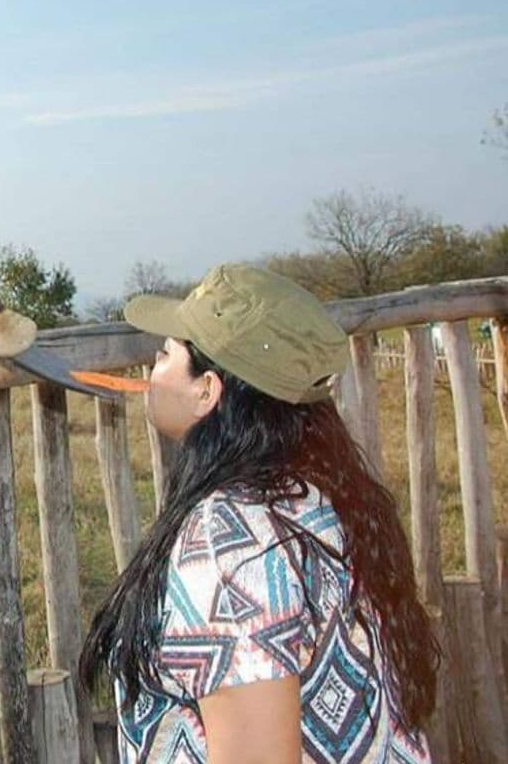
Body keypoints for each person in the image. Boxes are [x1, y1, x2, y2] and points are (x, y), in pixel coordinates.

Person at [80, 264, 438, 764]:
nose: (151, 368)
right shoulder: (321, 491)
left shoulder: (234, 547)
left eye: (165, 354)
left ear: (207, 390)